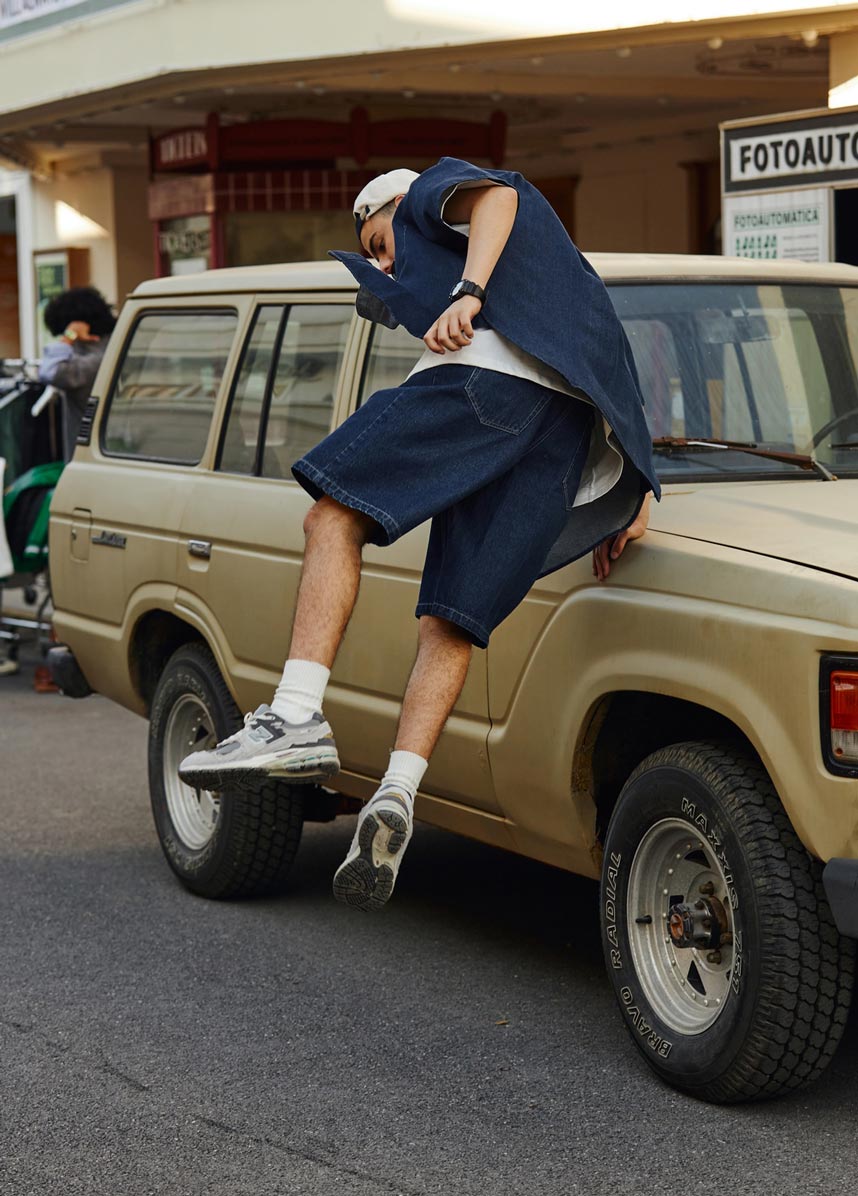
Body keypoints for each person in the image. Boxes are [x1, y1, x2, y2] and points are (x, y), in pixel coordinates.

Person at [179, 157, 660, 912]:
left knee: (331, 513)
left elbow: (498, 194)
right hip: (558, 442)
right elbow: (613, 357)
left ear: (396, 206)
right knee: (453, 620)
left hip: (486, 388)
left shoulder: (429, 190)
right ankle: (399, 791)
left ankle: (295, 715)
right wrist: (639, 484)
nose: (384, 260)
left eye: (376, 243)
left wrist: (468, 290)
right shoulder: (566, 276)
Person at [39, 286, 116, 459]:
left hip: (88, 458)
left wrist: (69, 335)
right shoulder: (116, 350)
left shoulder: (92, 363)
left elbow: (50, 371)